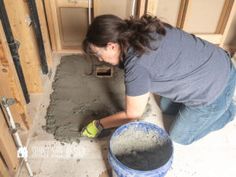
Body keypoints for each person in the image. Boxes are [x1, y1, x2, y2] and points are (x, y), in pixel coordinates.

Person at [81, 14, 236, 145]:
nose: (100, 59)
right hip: (217, 61)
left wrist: (99, 124)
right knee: (165, 106)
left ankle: (229, 110)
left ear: (112, 46)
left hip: (215, 90)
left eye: (98, 53)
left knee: (179, 137)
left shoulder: (137, 66)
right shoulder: (143, 28)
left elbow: (132, 114)